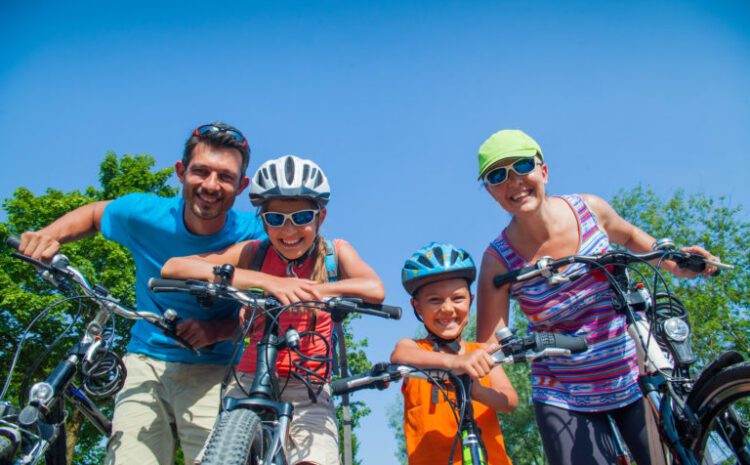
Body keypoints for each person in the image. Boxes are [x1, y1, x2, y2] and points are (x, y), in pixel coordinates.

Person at [17, 122, 265, 465]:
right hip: (144, 363)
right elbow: (93, 213)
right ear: (180, 172)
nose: (210, 185)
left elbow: (273, 307)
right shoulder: (144, 214)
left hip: (216, 370)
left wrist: (217, 331)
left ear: (242, 186)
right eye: (201, 171)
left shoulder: (256, 235)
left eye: (225, 176)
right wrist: (49, 235)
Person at [474, 129, 721, 465]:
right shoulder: (497, 261)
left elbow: (632, 237)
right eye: (497, 175)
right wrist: (489, 383)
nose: (513, 181)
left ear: (543, 171)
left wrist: (678, 260)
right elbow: (487, 343)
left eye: (521, 166)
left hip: (634, 374)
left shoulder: (589, 209)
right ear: (490, 191)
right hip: (564, 394)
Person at [161, 154, 385, 465]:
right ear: (263, 220)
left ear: (321, 217)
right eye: (276, 219)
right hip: (247, 378)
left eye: (303, 217)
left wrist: (318, 291)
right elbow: (174, 267)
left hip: (308, 388)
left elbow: (374, 288)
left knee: (314, 459)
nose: (289, 230)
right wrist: (265, 281)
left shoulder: (334, 253)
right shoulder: (254, 253)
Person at [391, 242, 517, 465]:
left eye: (458, 298)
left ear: (471, 300)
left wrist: (475, 391)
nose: (447, 308)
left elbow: (509, 401)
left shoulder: (480, 351)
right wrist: (456, 362)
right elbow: (400, 354)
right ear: (417, 307)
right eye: (434, 300)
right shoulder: (415, 348)